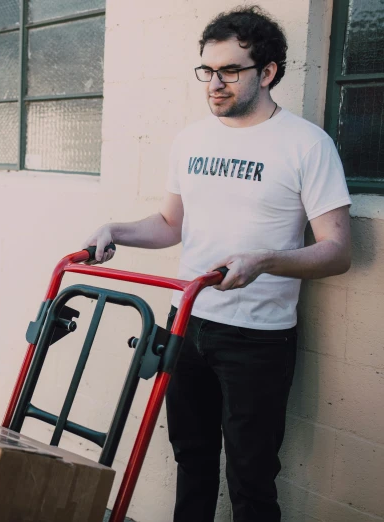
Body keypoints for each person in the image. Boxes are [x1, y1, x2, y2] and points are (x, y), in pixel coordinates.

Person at [82, 6, 351, 522]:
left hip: (257, 338)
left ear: (268, 72)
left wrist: (266, 260)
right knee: (192, 460)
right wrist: (116, 230)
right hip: (186, 324)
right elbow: (170, 224)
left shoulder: (307, 145)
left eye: (230, 71)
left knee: (251, 478)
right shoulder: (191, 140)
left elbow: (337, 251)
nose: (214, 83)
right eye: (207, 70)